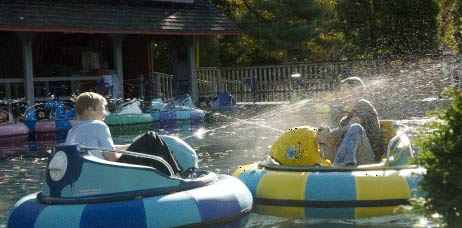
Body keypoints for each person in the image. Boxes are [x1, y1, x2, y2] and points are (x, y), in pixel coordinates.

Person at [316, 77, 383, 166]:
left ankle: (342, 165)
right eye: (340, 91)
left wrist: (330, 134)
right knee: (322, 129)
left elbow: (352, 126)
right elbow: (338, 139)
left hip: (368, 159)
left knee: (355, 127)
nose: (340, 94)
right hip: (353, 156)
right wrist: (324, 136)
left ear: (356, 91)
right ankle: (321, 161)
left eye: (343, 90)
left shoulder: (363, 105)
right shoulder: (344, 120)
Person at [65, 92, 129, 161]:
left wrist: (129, 147)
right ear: (91, 110)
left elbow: (102, 148)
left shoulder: (71, 131)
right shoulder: (99, 126)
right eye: (103, 109)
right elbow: (111, 157)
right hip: (97, 169)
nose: (106, 113)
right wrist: (128, 155)